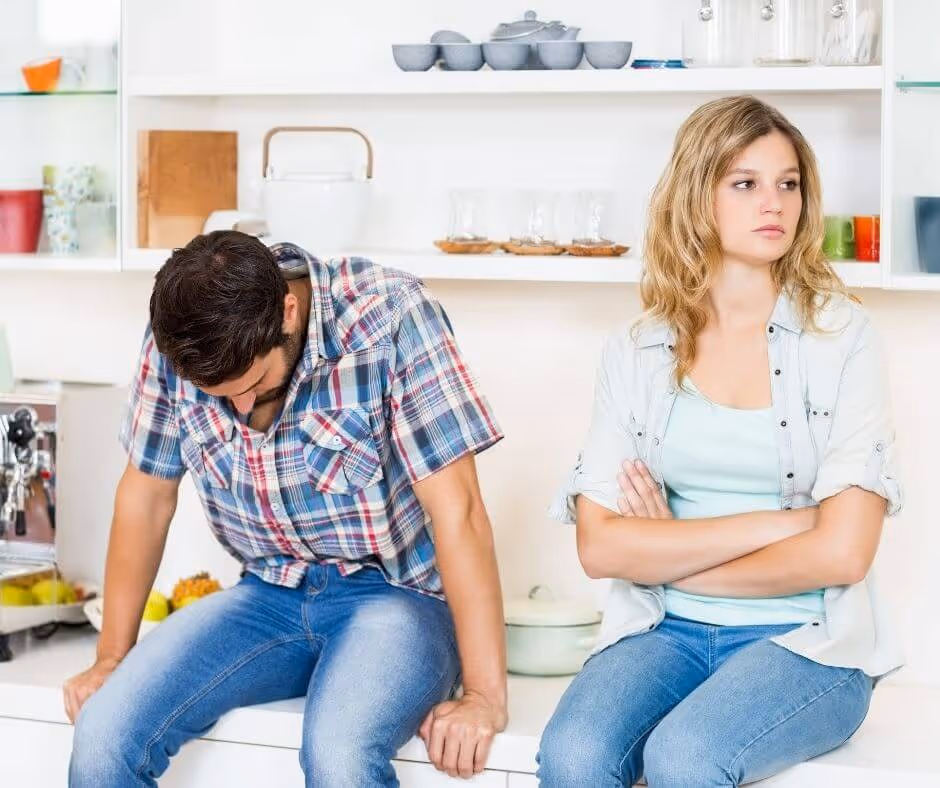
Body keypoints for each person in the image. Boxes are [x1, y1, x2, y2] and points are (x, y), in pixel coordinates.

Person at [538, 95, 902, 787]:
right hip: (663, 630)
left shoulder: (844, 339)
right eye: (745, 182)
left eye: (788, 183)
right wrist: (786, 523)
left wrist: (671, 553)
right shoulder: (638, 348)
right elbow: (602, 547)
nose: (775, 203)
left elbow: (845, 553)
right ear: (695, 196)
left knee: (685, 755)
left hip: (807, 646)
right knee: (573, 754)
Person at [64, 232, 508, 786]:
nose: (241, 408)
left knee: (338, 753)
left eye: (251, 385)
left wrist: (485, 696)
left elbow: (459, 511)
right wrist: (110, 657)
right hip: (265, 593)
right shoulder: (178, 334)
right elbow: (147, 496)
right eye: (220, 395)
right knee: (104, 733)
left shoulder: (389, 314)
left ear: (288, 313)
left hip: (398, 598)